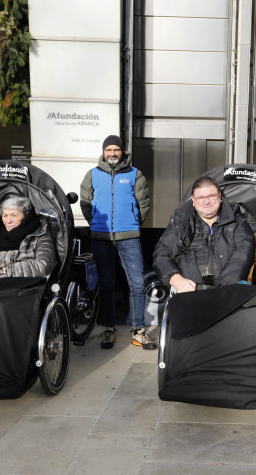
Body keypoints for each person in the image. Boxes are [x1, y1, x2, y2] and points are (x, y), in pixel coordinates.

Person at [80, 135, 155, 351]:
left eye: (116, 150)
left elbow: (144, 204)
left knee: (137, 284)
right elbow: (86, 204)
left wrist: (131, 223)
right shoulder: (92, 174)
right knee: (106, 283)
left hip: (129, 236)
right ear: (103, 152)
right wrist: (95, 221)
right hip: (101, 237)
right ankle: (109, 329)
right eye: (108, 150)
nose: (112, 153)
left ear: (122, 151)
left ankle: (138, 331)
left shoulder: (134, 174)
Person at [153, 176, 254, 293]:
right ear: (193, 201)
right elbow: (162, 254)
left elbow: (244, 251)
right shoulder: (181, 222)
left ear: (220, 196)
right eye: (200, 198)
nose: (207, 202)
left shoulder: (237, 221)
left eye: (211, 196)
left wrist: (226, 286)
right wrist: (176, 280)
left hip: (227, 293)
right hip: (189, 294)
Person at [0, 196, 57, 278]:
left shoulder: (40, 233)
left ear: (27, 215)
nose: (8, 221)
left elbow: (43, 266)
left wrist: (9, 270)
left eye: (13, 215)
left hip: (25, 286)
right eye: (5, 215)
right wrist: (18, 256)